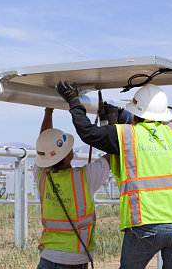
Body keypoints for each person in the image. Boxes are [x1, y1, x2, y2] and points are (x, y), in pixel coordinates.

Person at [56, 62, 172, 269]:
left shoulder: (126, 135)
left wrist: (74, 102)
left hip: (144, 225)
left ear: (135, 114)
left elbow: (88, 133)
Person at [34, 107, 111, 269]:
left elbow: (45, 142)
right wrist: (113, 125)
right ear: (66, 155)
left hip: (47, 256)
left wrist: (48, 111)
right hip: (75, 259)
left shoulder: (41, 175)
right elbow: (114, 153)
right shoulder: (85, 177)